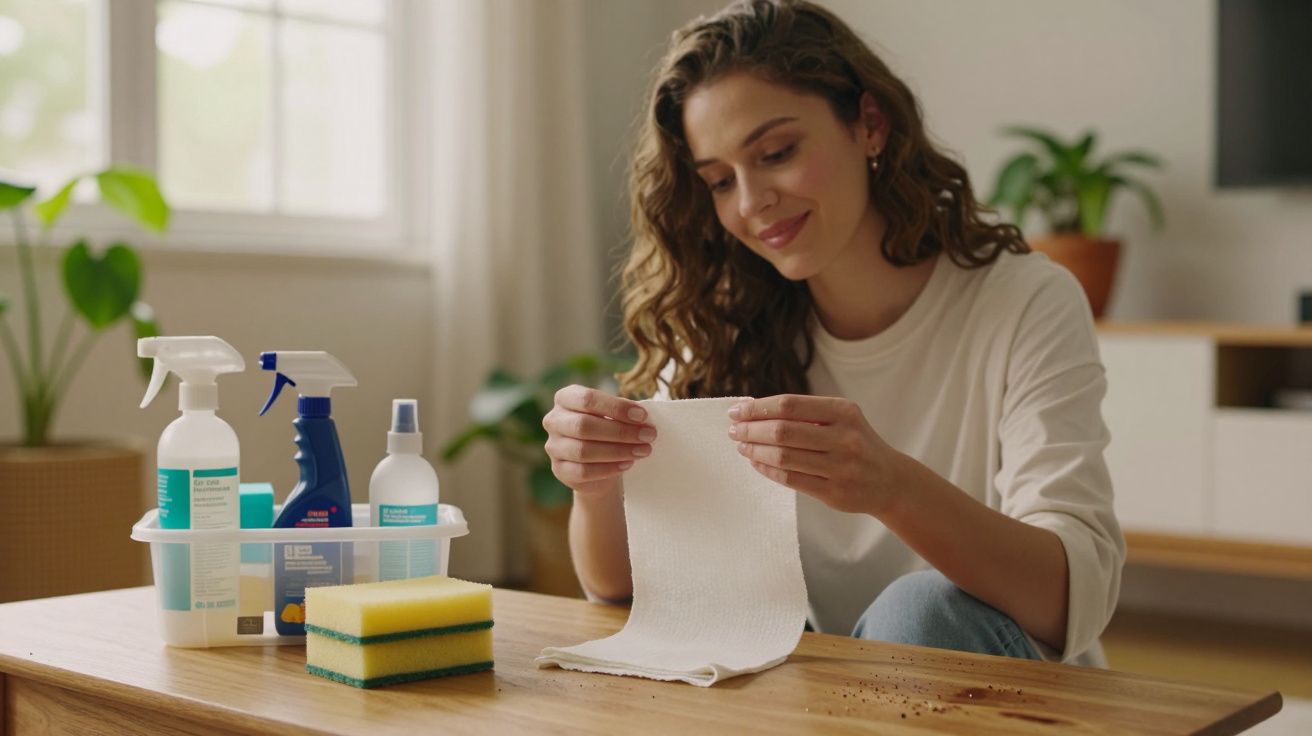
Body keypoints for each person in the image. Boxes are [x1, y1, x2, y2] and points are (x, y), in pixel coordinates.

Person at [542, 0, 1123, 666]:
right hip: (822, 696)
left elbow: (1071, 599)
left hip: (1009, 695)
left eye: (777, 153)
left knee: (920, 611)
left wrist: (890, 487)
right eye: (720, 181)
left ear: (869, 124)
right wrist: (594, 482)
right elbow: (616, 587)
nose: (752, 202)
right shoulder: (724, 322)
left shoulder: (1023, 303)